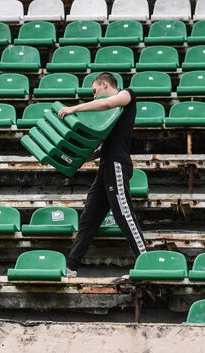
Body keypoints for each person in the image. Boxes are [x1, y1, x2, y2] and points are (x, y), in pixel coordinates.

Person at [57, 72, 147, 277]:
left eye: (94, 90)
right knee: (89, 218)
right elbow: (103, 147)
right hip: (106, 166)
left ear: (105, 84)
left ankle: (146, 261)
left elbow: (106, 104)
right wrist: (80, 158)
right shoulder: (109, 117)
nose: (94, 95)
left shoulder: (127, 95)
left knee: (124, 214)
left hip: (117, 165)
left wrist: (74, 108)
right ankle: (71, 267)